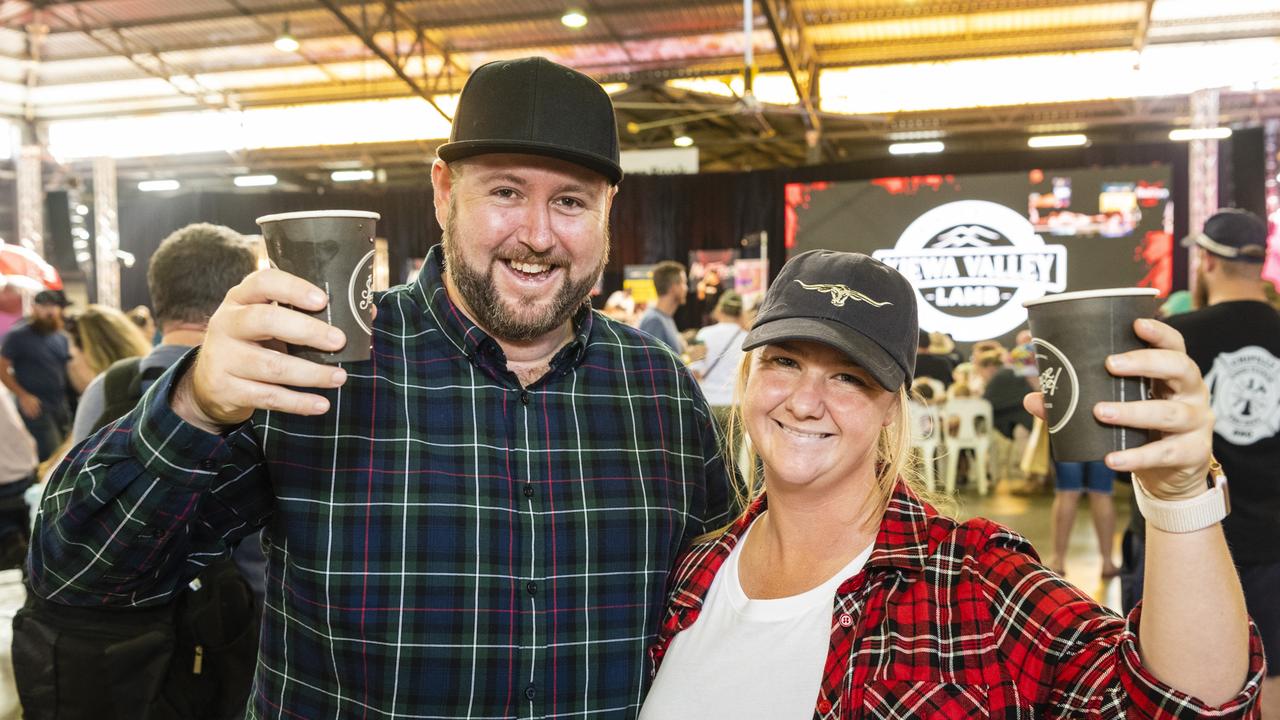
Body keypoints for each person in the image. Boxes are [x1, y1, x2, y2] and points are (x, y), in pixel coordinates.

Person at [30, 56, 730, 719]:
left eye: (571, 201)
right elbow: (80, 572)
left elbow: (719, 607)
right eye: (506, 192)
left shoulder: (658, 391)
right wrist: (196, 405)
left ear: (609, 210)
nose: (537, 235)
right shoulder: (320, 363)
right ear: (444, 193)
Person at [641, 249, 1263, 718]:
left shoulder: (972, 581)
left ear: (893, 407)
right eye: (784, 362)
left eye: (850, 377)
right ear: (750, 376)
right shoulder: (692, 575)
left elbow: (1185, 705)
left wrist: (1181, 500)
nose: (806, 401)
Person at [1164, 208, 1280, 718]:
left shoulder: (1175, 337)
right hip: (1276, 542)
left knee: (1178, 689)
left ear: (1206, 260)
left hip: (1189, 538)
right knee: (1273, 675)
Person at [68, 225, 257, 447]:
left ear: (157, 296)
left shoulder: (105, 388)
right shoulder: (263, 394)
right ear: (242, 296)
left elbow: (78, 479)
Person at [0, 290, 72, 461]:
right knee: (52, 457)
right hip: (36, 406)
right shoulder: (18, 335)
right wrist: (23, 395)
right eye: (45, 306)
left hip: (61, 404)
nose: (50, 311)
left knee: (65, 453)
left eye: (54, 307)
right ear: (34, 308)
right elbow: (2, 367)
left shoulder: (60, 337)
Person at [1048, 459, 1120, 578]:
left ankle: (1058, 561)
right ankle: (1107, 563)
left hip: (1069, 441)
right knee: (1102, 494)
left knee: (1067, 492)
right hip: (1102, 441)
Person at [689, 290, 746, 433]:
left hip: (709, 403)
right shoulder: (747, 337)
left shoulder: (704, 334)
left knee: (709, 453)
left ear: (720, 309)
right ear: (740, 312)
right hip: (736, 406)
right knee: (733, 454)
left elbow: (696, 372)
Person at [63, 304, 152, 395]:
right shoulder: (150, 385)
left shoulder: (98, 396)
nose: (70, 366)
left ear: (93, 355)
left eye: (70, 358)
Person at [638, 260, 692, 353]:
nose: (686, 288)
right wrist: (689, 359)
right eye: (684, 283)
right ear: (673, 287)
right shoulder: (654, 321)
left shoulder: (665, 318)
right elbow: (654, 363)